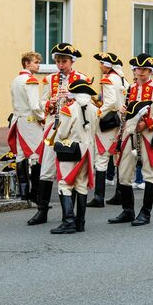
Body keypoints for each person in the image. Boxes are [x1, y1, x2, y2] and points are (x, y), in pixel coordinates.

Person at [28, 43, 88, 227]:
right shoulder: (49, 80)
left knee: (72, 172)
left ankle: (72, 217)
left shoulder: (82, 78)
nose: (61, 65)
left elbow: (88, 103)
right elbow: (41, 103)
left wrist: (71, 96)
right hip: (53, 128)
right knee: (46, 169)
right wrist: (50, 104)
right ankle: (42, 210)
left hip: (73, 130)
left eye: (64, 61)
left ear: (72, 61)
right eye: (58, 61)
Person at [108, 54, 153, 226]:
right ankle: (128, 210)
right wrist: (123, 111)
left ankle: (145, 213)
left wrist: (148, 123)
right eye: (137, 69)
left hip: (148, 135)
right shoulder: (130, 89)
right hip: (129, 134)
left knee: (149, 172)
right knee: (124, 172)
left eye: (144, 69)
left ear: (150, 71)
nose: (140, 72)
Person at [50, 79, 99, 234]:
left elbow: (63, 133)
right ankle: (80, 222)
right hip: (87, 150)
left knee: (65, 183)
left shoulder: (68, 109)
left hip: (70, 149)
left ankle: (68, 221)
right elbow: (94, 131)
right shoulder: (95, 109)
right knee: (81, 184)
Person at [88, 52, 127, 207]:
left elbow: (110, 102)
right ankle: (119, 194)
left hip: (109, 121)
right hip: (120, 119)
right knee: (117, 156)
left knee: (102, 157)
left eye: (102, 63)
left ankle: (99, 197)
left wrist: (97, 113)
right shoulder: (122, 78)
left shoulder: (108, 79)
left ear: (107, 65)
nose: (100, 66)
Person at [8, 51, 45, 202]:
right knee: (36, 155)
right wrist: (43, 118)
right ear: (26, 63)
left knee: (21, 155)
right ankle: (35, 192)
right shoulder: (31, 80)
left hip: (18, 119)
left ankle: (24, 192)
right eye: (35, 62)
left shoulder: (16, 80)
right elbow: (34, 105)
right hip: (30, 121)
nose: (38, 65)